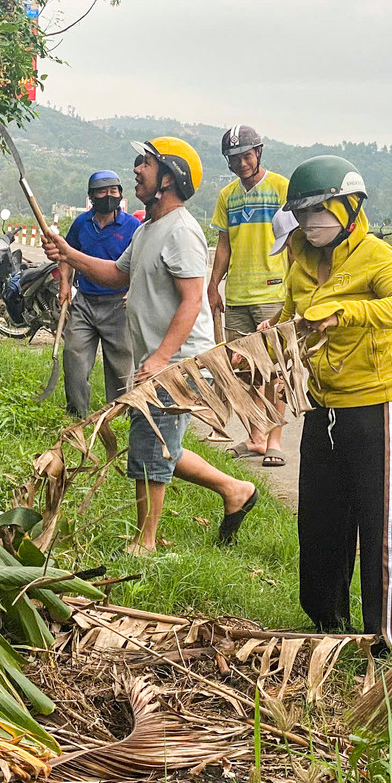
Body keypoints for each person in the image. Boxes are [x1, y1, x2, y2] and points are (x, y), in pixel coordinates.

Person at [43, 137, 257, 554]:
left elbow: (193, 299)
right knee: (159, 443)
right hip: (162, 359)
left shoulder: (181, 231)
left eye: (145, 163)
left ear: (169, 176)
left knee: (152, 444)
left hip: (181, 363)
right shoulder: (146, 230)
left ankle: (146, 544)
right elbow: (114, 274)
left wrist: (160, 358)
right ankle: (235, 489)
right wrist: (69, 253)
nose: (136, 170)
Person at [268, 155, 392, 654]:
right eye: (303, 213)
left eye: (320, 210)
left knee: (383, 525)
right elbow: (291, 315)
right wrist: (274, 337)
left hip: (381, 404)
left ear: (348, 207)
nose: (311, 222)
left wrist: (348, 310)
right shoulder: (300, 257)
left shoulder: (377, 256)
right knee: (321, 519)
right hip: (323, 406)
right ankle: (327, 625)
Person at [208, 125, 292, 466]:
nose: (242, 164)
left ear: (258, 153)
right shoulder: (227, 195)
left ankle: (275, 439)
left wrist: (298, 291)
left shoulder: (282, 188)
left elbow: (295, 242)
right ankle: (256, 437)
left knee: (274, 371)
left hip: (273, 292)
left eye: (246, 156)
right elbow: (224, 245)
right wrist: (213, 285)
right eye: (235, 159)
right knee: (242, 371)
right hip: (239, 294)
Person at [57, 171, 140, 416]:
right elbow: (67, 255)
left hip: (118, 304)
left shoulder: (133, 227)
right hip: (84, 302)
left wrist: (132, 291)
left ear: (121, 195)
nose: (108, 196)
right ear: (92, 196)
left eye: (113, 191)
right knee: (74, 356)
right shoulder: (81, 223)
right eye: (102, 192)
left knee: (121, 364)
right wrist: (64, 284)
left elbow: (140, 263)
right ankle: (76, 414)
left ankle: (118, 416)